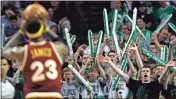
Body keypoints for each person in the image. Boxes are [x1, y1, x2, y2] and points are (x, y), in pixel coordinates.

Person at [2, 3, 68, 98]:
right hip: (54, 94)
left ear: (27, 32)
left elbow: (5, 51)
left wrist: (21, 32)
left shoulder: (24, 51)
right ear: (42, 30)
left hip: (33, 94)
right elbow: (65, 48)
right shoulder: (56, 48)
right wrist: (46, 28)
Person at [98, 54, 170, 98]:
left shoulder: (155, 84)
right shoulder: (135, 83)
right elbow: (121, 74)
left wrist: (167, 66)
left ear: (150, 74)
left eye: (147, 71)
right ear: (140, 74)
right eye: (143, 71)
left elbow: (163, 76)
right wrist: (110, 62)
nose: (145, 72)